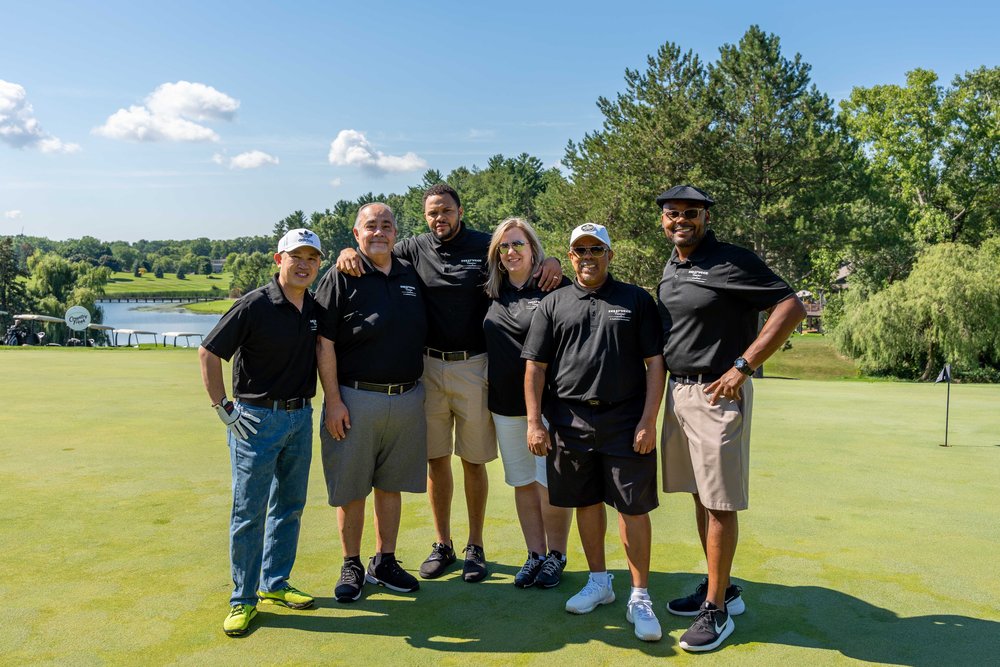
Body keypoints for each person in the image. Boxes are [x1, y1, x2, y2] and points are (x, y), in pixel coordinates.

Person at [336, 184, 562, 583]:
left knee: (474, 460)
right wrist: (347, 251)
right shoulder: (412, 248)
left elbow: (520, 258)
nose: (439, 219)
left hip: (475, 366)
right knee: (436, 459)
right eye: (431, 213)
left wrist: (554, 260)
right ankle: (444, 544)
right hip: (427, 367)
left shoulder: (484, 246)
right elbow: (376, 251)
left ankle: (476, 546)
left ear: (460, 211)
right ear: (424, 217)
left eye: (446, 211)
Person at [655, 184, 806, 652]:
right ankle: (719, 588)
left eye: (691, 213)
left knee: (719, 502)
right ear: (662, 219)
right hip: (678, 394)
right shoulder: (674, 264)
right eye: (672, 213)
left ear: (705, 217)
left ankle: (716, 611)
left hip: (716, 395)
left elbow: (791, 306)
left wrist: (743, 366)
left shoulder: (730, 260)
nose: (680, 219)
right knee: (700, 496)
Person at [522, 222, 666, 642]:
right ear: (570, 257)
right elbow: (535, 367)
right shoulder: (553, 303)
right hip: (569, 422)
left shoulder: (636, 300)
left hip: (625, 420)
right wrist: (535, 421)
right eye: (579, 250)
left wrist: (648, 419)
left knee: (633, 509)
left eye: (596, 249)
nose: (588, 256)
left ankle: (639, 595)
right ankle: (600, 582)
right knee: (585, 502)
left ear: (610, 254)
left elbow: (655, 363)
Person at [198, 228, 323, 637]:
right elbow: (209, 352)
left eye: (311, 258)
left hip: (299, 417)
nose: (303, 264)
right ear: (278, 259)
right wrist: (224, 408)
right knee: (248, 512)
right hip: (255, 420)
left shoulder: (314, 307)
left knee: (290, 504)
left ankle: (275, 583)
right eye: (295, 256)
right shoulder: (253, 305)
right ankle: (242, 599)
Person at [314, 203, 428, 603]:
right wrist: (333, 401)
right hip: (355, 398)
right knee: (352, 488)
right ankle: (351, 563)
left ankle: (385, 560)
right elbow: (323, 342)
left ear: (396, 232)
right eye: (370, 226)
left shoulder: (410, 272)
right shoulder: (341, 275)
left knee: (391, 485)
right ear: (356, 233)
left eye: (386, 225)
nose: (379, 232)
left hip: (408, 396)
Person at [483, 217, 574, 589]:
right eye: (504, 246)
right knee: (522, 482)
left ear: (533, 248)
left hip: (548, 406)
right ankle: (534, 554)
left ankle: (557, 556)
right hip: (505, 406)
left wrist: (554, 261)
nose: (511, 251)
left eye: (518, 244)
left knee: (548, 484)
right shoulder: (490, 291)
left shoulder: (555, 287)